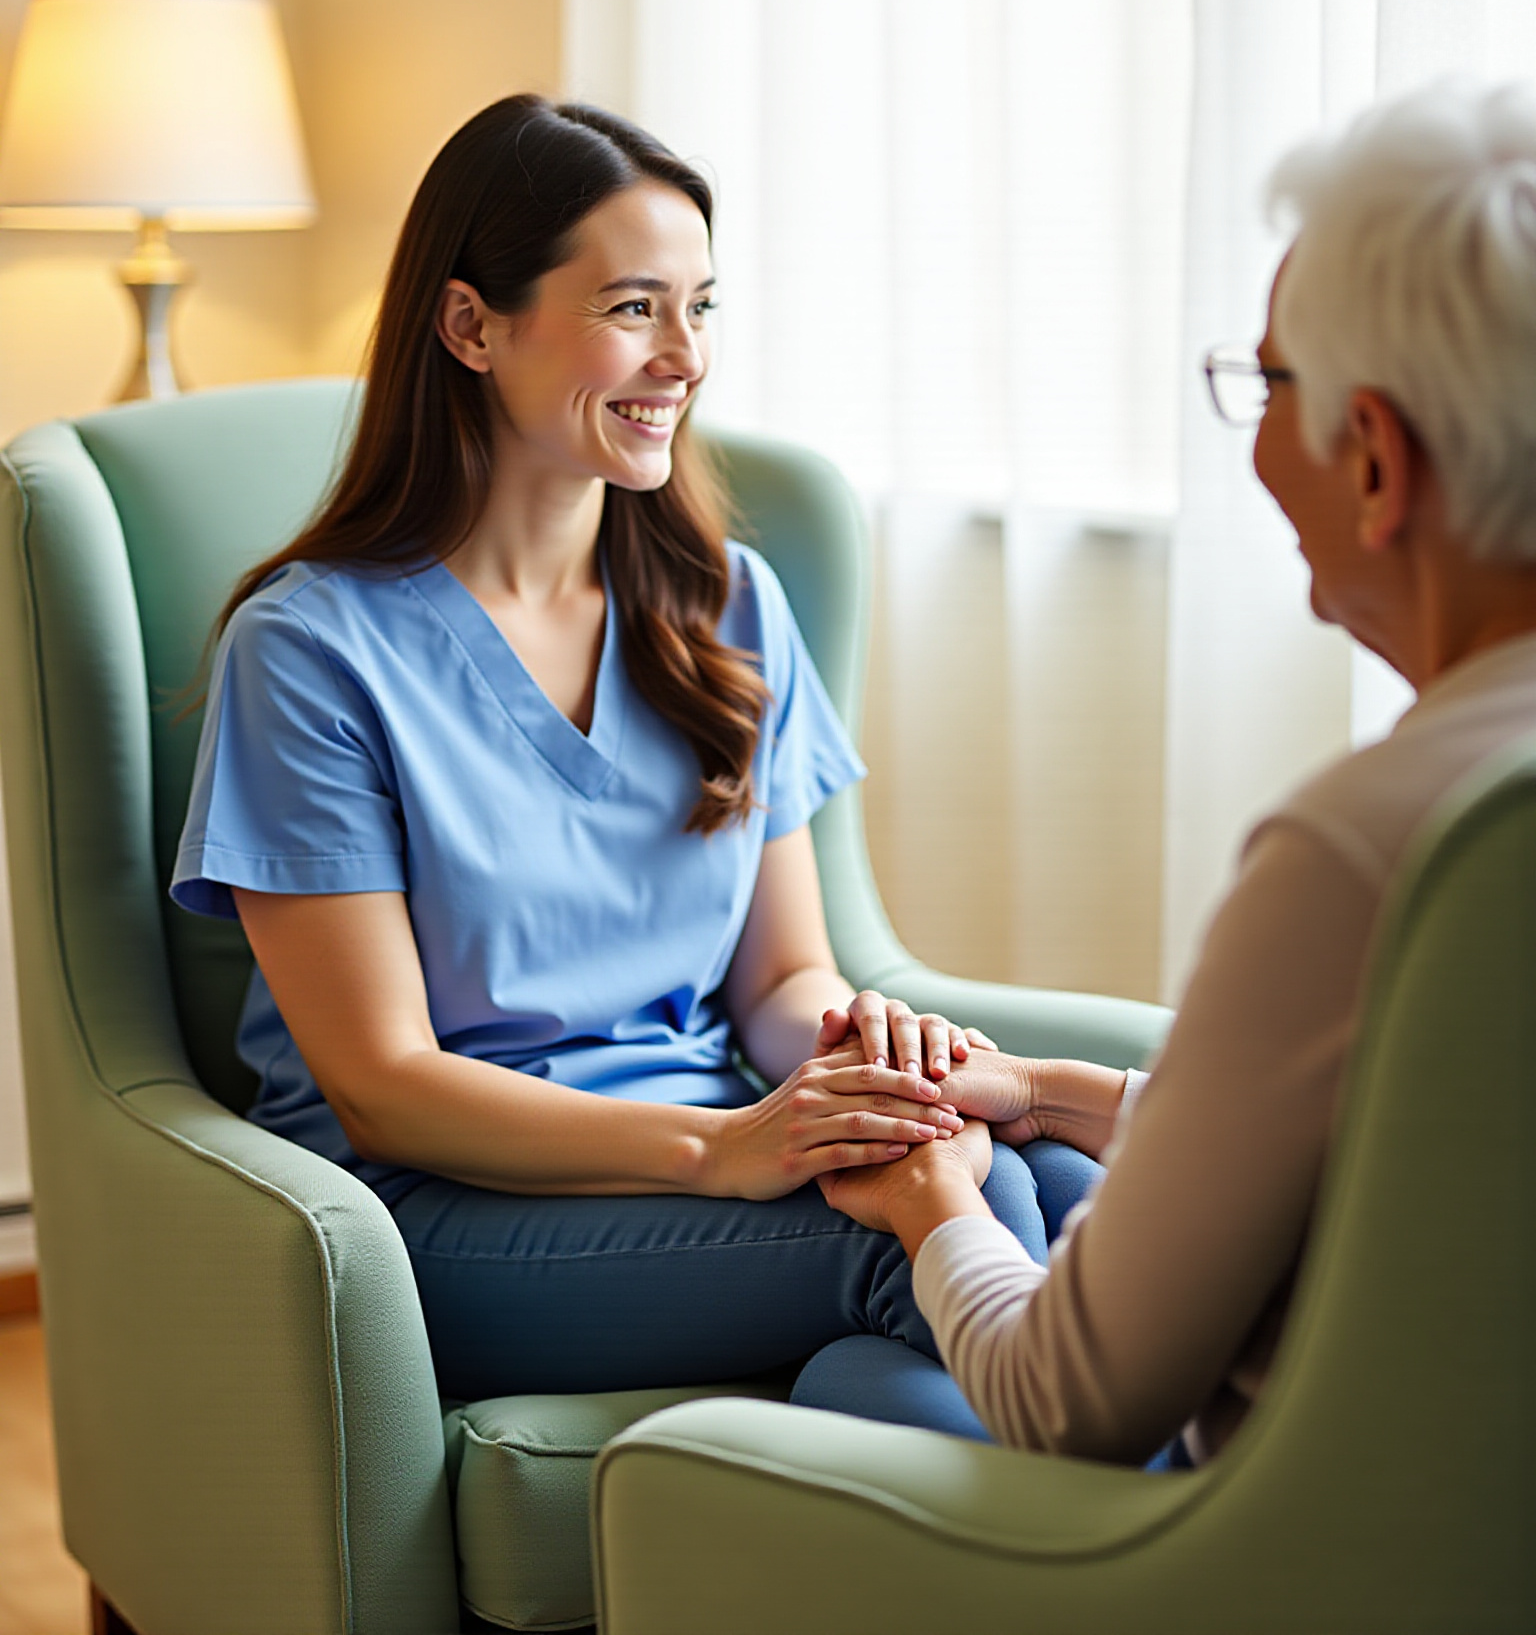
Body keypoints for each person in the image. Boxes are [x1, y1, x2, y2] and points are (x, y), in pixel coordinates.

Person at [170, 93, 1101, 1429]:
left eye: (701, 308)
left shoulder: (730, 602)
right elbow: (384, 1086)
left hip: (725, 1131)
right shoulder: (312, 652)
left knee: (1071, 1191)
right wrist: (726, 1149)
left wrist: (861, 1065)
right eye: (632, 308)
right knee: (963, 1213)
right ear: (471, 325)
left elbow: (781, 977)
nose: (685, 357)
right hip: (455, 1214)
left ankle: (821, 1457)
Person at [812, 78, 1536, 1465]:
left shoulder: (1366, 846)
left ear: (1375, 457)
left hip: (1294, 1537)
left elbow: (1067, 1405)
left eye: (1270, 382)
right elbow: (1408, 1164)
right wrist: (1042, 1092)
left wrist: (934, 1204)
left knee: (849, 1379)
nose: (1255, 428)